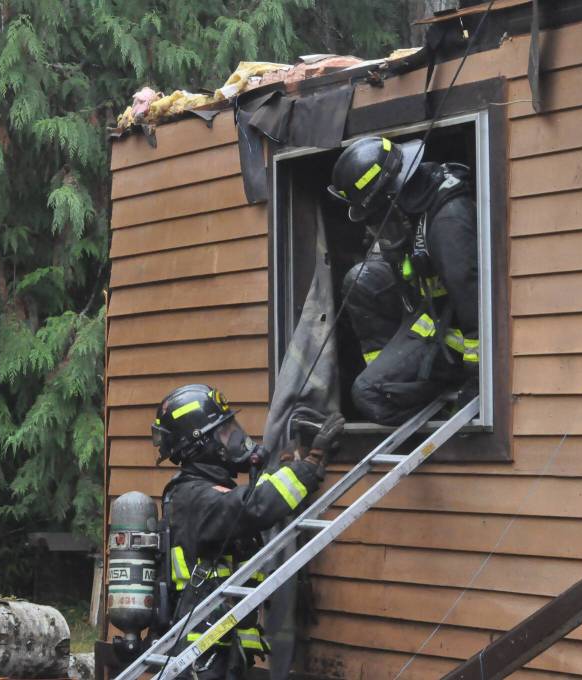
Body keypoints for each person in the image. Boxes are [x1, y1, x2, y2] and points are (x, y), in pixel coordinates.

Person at [151, 383, 344, 678]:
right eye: (226, 432)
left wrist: (286, 468)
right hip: (200, 657)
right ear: (200, 444)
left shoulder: (208, 491)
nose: (237, 438)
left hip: (221, 650)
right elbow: (251, 508)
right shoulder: (192, 497)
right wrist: (310, 465)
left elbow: (247, 501)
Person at [327, 136, 480, 425]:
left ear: (388, 196)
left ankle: (436, 398)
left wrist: (476, 380)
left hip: (455, 339)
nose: (373, 224)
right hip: (428, 315)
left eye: (373, 215)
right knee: (361, 280)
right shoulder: (415, 203)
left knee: (368, 393)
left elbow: (477, 311)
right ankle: (400, 377)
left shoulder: (448, 222)